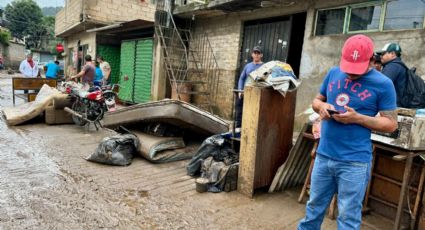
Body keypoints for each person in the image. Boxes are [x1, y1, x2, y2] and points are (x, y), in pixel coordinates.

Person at [298, 34, 398, 230]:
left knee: (348, 217)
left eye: (357, 70)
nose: (351, 74)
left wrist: (358, 118)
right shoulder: (333, 73)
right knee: (313, 210)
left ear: (372, 61)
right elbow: (316, 101)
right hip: (324, 156)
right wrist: (323, 107)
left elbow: (391, 124)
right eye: (348, 69)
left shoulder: (384, 84)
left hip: (354, 162)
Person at [235, 46, 264, 127]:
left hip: (256, 94)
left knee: (253, 112)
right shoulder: (248, 66)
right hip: (245, 92)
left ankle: (251, 128)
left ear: (261, 55)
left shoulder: (264, 66)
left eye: (258, 53)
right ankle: (239, 128)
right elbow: (241, 78)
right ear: (252, 54)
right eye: (255, 53)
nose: (256, 55)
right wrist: (240, 90)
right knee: (240, 110)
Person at [376, 43, 406, 107]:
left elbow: (381, 85)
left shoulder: (392, 66)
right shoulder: (398, 65)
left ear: (392, 54)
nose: (381, 56)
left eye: (383, 54)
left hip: (394, 105)